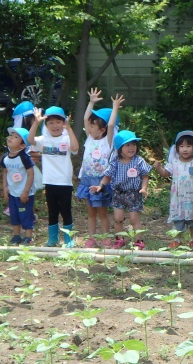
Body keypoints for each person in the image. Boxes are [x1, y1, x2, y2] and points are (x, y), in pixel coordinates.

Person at [76, 89, 123, 248]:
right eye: (89, 126)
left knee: (102, 213)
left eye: (92, 126)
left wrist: (114, 107)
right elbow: (85, 118)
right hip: (87, 180)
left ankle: (105, 237)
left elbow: (110, 124)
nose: (89, 128)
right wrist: (91, 102)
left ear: (102, 130)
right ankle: (91, 238)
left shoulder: (108, 142)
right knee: (90, 213)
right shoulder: (89, 139)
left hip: (101, 182)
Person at [28, 106, 80, 247]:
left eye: (58, 122)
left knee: (65, 210)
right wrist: (36, 123)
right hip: (49, 181)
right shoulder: (44, 139)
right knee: (52, 211)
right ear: (46, 125)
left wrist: (69, 129)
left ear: (63, 123)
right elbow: (30, 140)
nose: (55, 125)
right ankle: (53, 239)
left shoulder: (67, 138)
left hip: (64, 182)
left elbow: (75, 148)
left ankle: (69, 239)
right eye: (50, 122)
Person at [90, 130, 151, 250]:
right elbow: (107, 176)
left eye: (133, 144)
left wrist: (144, 188)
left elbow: (145, 176)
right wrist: (100, 186)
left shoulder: (138, 161)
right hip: (118, 194)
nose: (131, 148)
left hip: (134, 194)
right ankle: (119, 239)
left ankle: (138, 241)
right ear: (119, 148)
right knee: (118, 219)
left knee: (134, 219)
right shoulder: (115, 162)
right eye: (127, 145)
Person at [153, 130, 193, 250]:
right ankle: (176, 239)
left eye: (188, 146)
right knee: (178, 219)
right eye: (182, 146)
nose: (185, 149)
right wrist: (159, 168)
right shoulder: (174, 162)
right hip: (178, 198)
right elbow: (165, 173)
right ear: (177, 148)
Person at [1, 127, 35, 245]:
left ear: (22, 146)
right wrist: (5, 187)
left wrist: (25, 191)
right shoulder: (5, 158)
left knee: (25, 214)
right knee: (14, 214)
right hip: (12, 192)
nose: (11, 137)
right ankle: (16, 236)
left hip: (24, 193)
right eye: (11, 135)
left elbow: (31, 174)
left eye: (16, 137)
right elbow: (5, 172)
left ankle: (28, 236)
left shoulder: (24, 157)